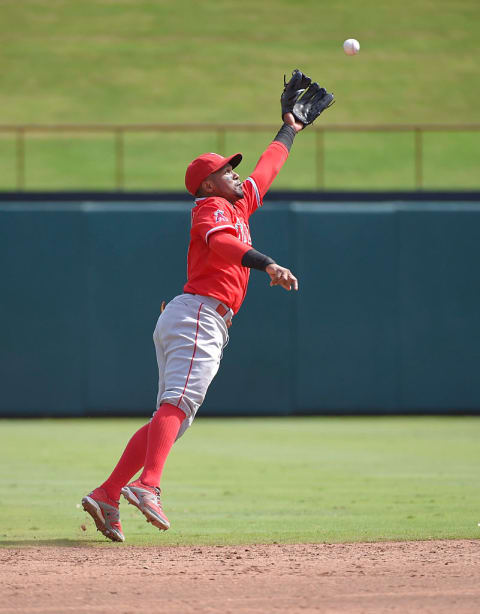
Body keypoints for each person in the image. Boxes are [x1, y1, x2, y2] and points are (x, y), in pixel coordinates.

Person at [81, 70, 333, 542]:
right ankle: (148, 486)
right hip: (200, 314)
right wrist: (267, 264)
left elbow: (268, 167)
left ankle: (107, 493)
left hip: (194, 316)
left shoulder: (237, 204)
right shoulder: (210, 210)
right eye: (226, 172)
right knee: (177, 407)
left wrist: (289, 129)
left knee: (169, 417)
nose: (237, 176)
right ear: (208, 185)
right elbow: (222, 247)